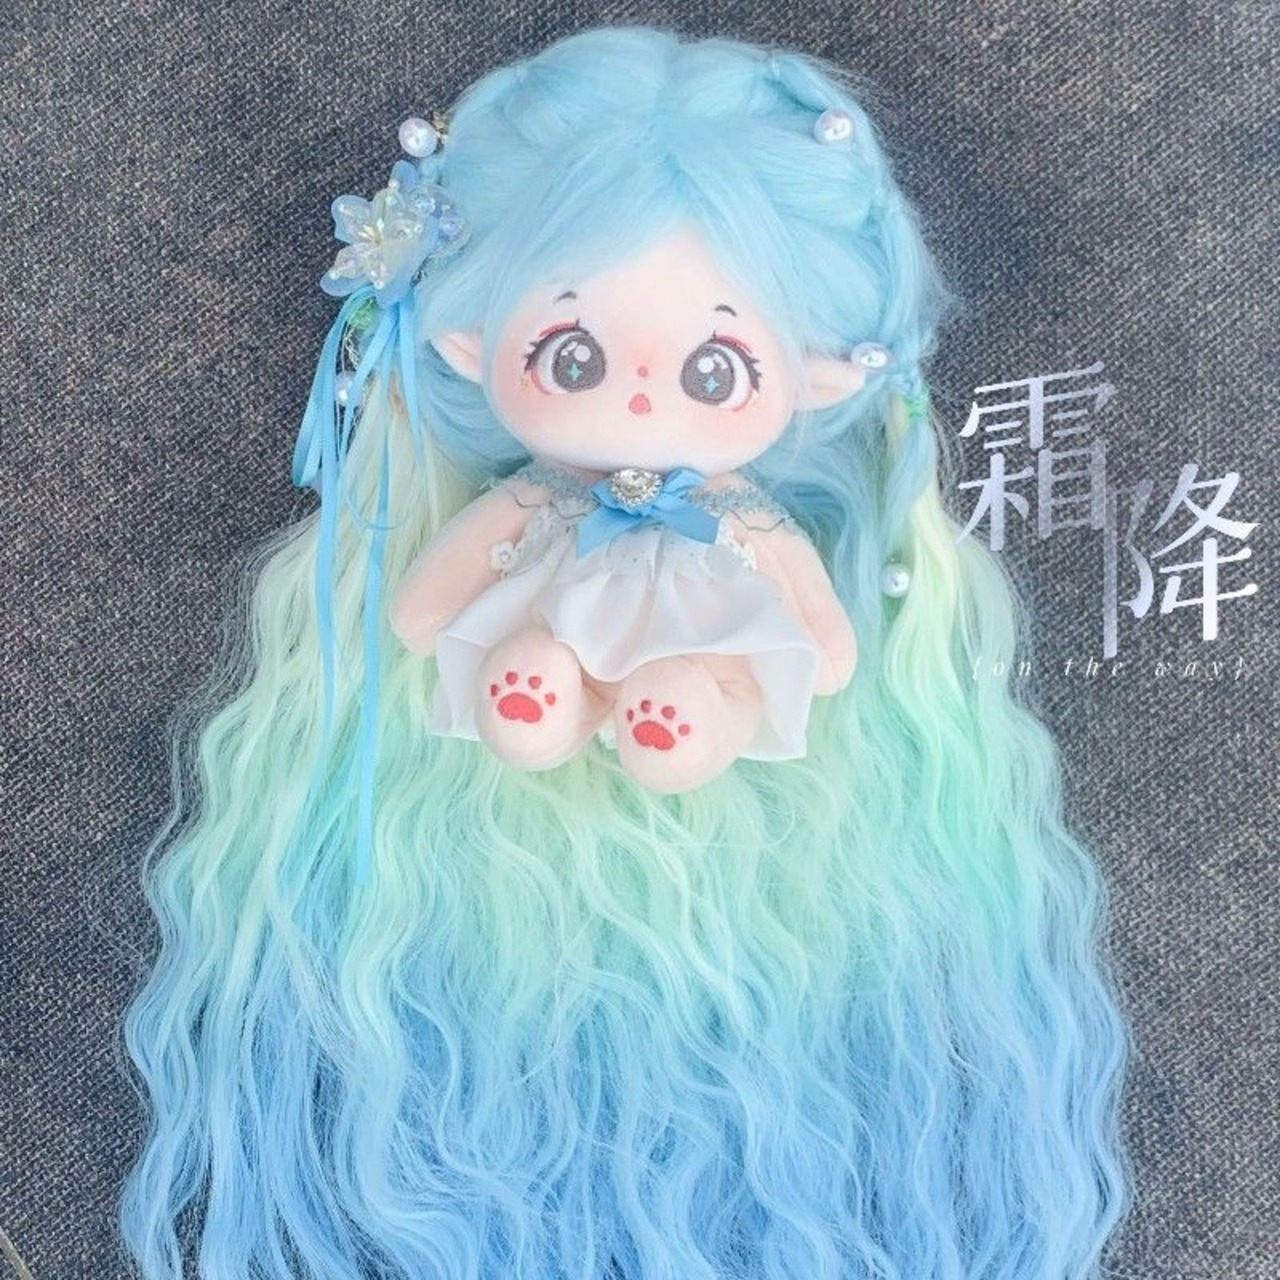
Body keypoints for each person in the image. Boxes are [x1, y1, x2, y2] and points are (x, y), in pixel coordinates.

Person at [122, 26, 1129, 1279]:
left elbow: (819, 643)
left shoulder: (744, 521)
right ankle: (540, 694)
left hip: (701, 648)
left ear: (814, 380)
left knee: (696, 680)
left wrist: (815, 649)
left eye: (714, 364)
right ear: (468, 349)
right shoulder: (533, 500)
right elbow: (423, 607)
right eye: (575, 357)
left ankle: (672, 707)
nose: (642, 397)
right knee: (533, 671)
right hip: (545, 634)